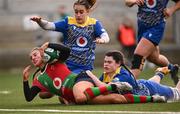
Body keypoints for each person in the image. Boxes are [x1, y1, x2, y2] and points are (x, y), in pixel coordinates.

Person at [23, 42, 164, 105]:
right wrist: (25, 80)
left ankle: (114, 86)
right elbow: (29, 97)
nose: (33, 58)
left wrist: (49, 45)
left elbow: (66, 51)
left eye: (35, 54)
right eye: (31, 58)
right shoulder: (39, 79)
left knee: (79, 97)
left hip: (79, 80)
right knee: (117, 99)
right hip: (79, 96)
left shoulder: (54, 62)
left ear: (42, 54)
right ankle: (153, 99)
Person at [30, 0, 110, 74]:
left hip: (85, 67)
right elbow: (48, 25)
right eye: (76, 12)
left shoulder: (94, 24)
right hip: (67, 65)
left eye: (81, 12)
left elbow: (105, 36)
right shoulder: (68, 22)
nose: (78, 15)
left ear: (87, 11)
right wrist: (39, 21)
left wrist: (102, 40)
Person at [84, 50, 180, 102]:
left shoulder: (123, 75)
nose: (105, 64)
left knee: (177, 93)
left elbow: (105, 88)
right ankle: (160, 72)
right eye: (105, 61)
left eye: (109, 62)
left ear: (118, 64)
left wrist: (91, 75)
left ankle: (160, 73)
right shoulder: (106, 74)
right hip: (142, 85)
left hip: (150, 90)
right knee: (150, 82)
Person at [124, 0, 180, 85]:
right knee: (154, 58)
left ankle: (127, 85)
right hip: (142, 28)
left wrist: (171, 10)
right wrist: (134, 1)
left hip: (156, 28)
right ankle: (172, 68)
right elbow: (127, 2)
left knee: (139, 55)